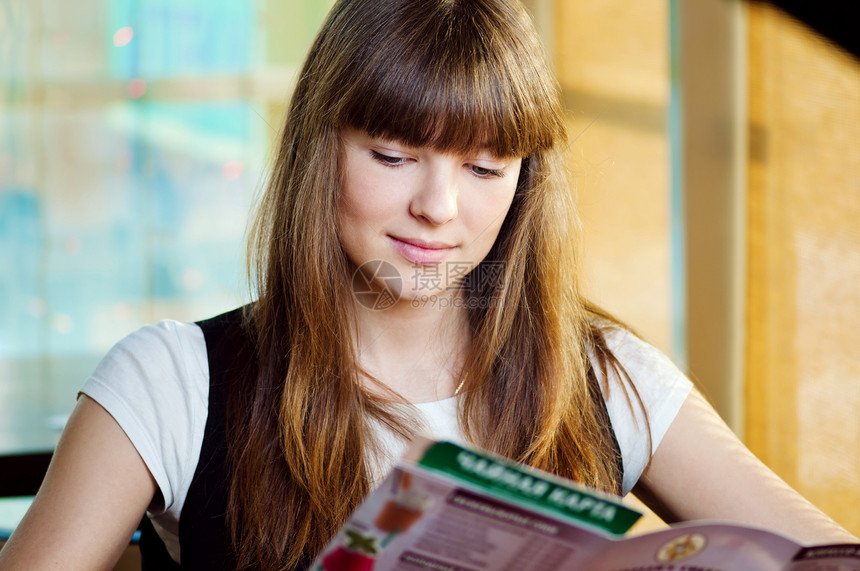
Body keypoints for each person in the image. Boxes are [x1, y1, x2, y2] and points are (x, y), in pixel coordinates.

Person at [1, 0, 856, 569]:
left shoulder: (606, 374)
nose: (438, 207)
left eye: (487, 167)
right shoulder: (171, 381)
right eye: (394, 155)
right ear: (318, 145)